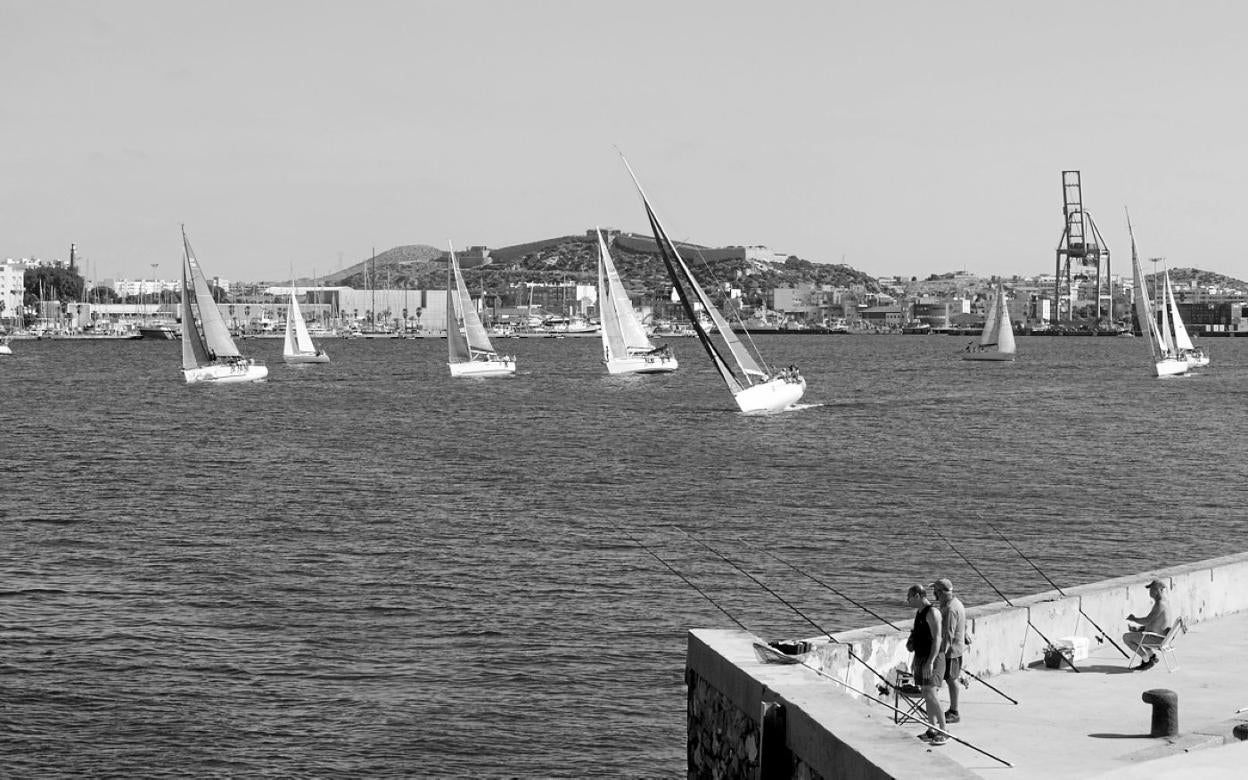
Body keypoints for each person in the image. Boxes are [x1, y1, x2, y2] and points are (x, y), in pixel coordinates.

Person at [905, 584, 947, 745]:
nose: (907, 600)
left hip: (933, 659)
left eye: (909, 597)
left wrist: (930, 662)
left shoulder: (932, 613)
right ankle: (932, 728)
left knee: (931, 693)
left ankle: (943, 730)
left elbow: (938, 639)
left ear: (917, 595)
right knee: (926, 693)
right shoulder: (919, 613)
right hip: (921, 657)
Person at [931, 578, 967, 723]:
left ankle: (954, 711)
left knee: (951, 680)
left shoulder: (951, 609)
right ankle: (947, 710)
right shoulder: (955, 603)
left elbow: (948, 635)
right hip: (955, 649)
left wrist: (938, 655)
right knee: (950, 679)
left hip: (951, 652)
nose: (934, 594)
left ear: (941, 592)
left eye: (935, 591)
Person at [1123, 579, 1174, 671]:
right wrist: (1139, 629)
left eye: (1152, 589)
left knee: (1126, 637)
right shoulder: (1165, 602)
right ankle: (1151, 656)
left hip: (1157, 639)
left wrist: (1134, 619)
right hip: (1161, 637)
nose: (1150, 592)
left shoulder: (1160, 604)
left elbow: (1147, 621)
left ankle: (1146, 660)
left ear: (1158, 590)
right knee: (1140, 634)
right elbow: (1155, 623)